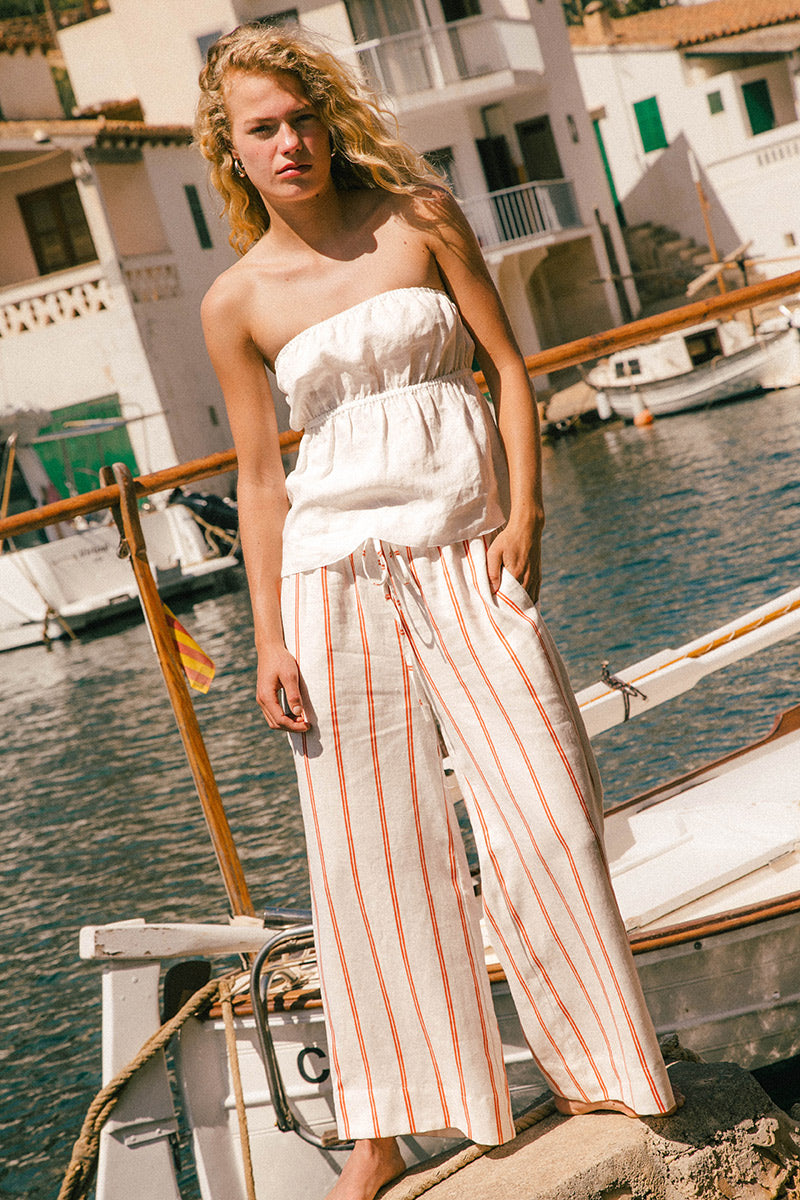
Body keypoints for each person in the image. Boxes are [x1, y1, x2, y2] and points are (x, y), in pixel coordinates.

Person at [196, 24, 677, 1200]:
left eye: (301, 115)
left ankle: (595, 1062)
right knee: (370, 857)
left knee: (546, 805)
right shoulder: (236, 299)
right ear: (233, 150)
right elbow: (262, 480)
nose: (290, 141)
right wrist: (266, 635)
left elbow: (506, 369)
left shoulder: (416, 213)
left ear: (324, 116)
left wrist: (526, 519)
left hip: (467, 552)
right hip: (327, 579)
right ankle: (387, 1125)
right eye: (262, 128)